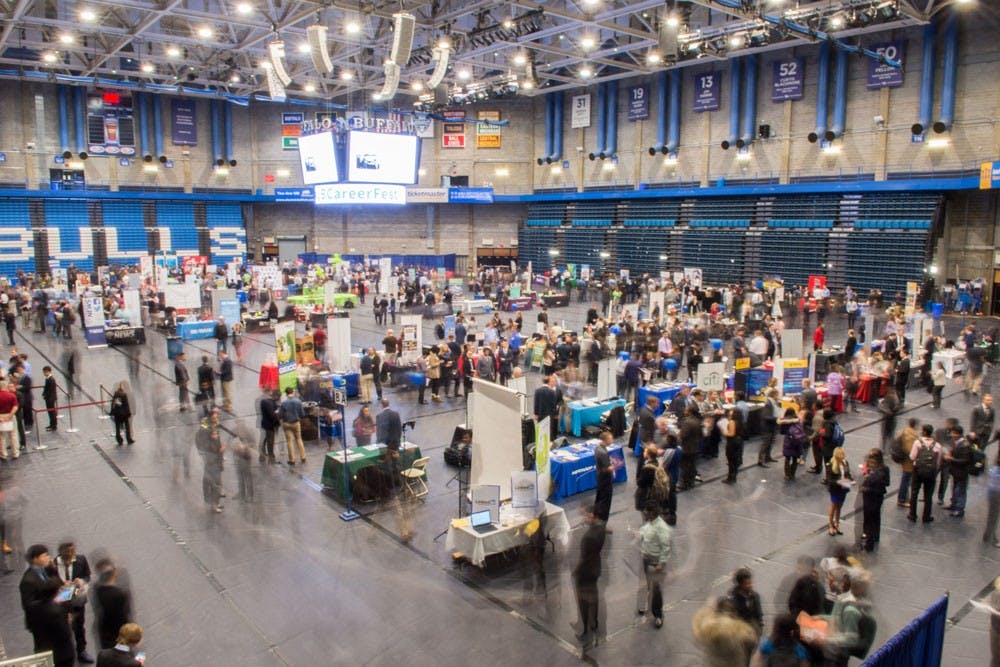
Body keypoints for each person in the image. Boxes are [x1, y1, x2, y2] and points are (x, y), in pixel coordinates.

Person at [19, 543, 75, 667]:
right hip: (44, 626)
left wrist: (68, 608)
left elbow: (61, 589)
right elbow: (29, 606)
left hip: (59, 619)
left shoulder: (49, 571)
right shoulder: (28, 581)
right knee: (52, 656)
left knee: (67, 653)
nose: (48, 558)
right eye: (45, 555)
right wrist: (53, 601)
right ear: (35, 559)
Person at [572, 505, 606, 649]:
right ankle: (595, 623)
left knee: (583, 600)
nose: (585, 518)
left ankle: (585, 628)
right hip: (596, 569)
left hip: (585, 572)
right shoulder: (601, 529)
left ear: (594, 516)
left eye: (587, 515)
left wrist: (576, 571)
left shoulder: (589, 537)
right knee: (594, 596)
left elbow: (585, 558)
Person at [692, 596, 758, 667]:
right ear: (733, 612)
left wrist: (709, 608)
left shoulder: (707, 628)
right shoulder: (739, 630)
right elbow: (752, 642)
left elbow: (697, 626)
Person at [56, 541, 94, 664]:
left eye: (74, 552)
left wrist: (81, 581)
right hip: (62, 601)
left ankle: (81, 651)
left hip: (77, 600)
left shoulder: (81, 560)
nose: (73, 555)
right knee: (62, 628)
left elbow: (88, 576)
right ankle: (65, 655)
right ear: (62, 554)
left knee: (79, 627)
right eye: (69, 553)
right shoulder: (54, 564)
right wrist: (61, 585)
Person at [637, 506, 673, 628]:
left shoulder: (662, 528)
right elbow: (643, 532)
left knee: (656, 589)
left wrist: (661, 564)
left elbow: (666, 547)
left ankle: (658, 615)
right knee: (647, 584)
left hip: (655, 561)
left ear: (653, 513)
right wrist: (637, 534)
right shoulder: (649, 523)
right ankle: (647, 604)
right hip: (646, 558)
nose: (645, 512)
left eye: (647, 511)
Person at [93, 559, 133, 650]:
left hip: (104, 629)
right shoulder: (120, 593)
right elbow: (125, 614)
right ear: (114, 573)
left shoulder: (97, 589)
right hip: (119, 630)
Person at [908, 423, 943, 524]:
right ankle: (926, 516)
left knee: (914, 492)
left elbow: (912, 457)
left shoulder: (917, 443)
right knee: (928, 495)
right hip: (931, 473)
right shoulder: (937, 445)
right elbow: (938, 462)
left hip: (918, 470)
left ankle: (912, 514)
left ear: (924, 432)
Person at [859, 448, 890, 552]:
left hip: (871, 497)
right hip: (878, 496)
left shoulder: (877, 472)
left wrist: (867, 485)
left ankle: (869, 542)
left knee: (870, 518)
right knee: (876, 517)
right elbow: (887, 482)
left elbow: (875, 483)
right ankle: (875, 536)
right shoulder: (884, 469)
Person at [197, 408, 225, 512]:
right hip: (212, 460)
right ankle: (214, 504)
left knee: (213, 481)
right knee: (216, 482)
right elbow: (205, 444)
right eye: (214, 416)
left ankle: (213, 502)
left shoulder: (213, 426)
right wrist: (218, 449)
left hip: (215, 459)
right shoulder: (206, 429)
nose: (216, 418)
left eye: (217, 416)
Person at [729, 567, 764, 639]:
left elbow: (758, 612)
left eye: (750, 583)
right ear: (740, 584)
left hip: (753, 631)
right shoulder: (733, 597)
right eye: (747, 584)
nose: (750, 585)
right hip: (738, 632)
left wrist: (760, 627)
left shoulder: (755, 596)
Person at [947, 424, 972, 518]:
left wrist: (951, 459)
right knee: (954, 488)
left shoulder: (965, 445)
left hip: (962, 472)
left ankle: (959, 509)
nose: (952, 435)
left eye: (953, 433)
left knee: (960, 490)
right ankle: (953, 504)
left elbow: (965, 460)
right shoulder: (955, 442)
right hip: (955, 471)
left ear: (958, 434)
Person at [827, 447, 853, 536]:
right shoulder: (831, 464)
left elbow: (848, 474)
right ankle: (830, 525)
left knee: (839, 507)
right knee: (833, 506)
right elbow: (829, 480)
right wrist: (839, 482)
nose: (843, 457)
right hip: (835, 489)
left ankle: (837, 524)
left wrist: (850, 480)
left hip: (843, 489)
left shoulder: (845, 463)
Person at [593, 431, 616, 526]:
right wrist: (616, 465)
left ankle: (596, 516)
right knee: (605, 501)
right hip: (605, 479)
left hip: (600, 478)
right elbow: (608, 468)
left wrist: (610, 460)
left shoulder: (599, 448)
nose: (612, 440)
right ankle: (602, 523)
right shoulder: (602, 452)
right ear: (606, 440)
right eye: (611, 438)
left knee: (599, 498)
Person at [279, 386, 306, 465]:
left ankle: (292, 459)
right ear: (293, 392)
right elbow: (302, 414)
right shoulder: (298, 401)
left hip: (287, 424)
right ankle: (303, 456)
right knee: (299, 439)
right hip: (296, 423)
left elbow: (280, 415)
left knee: (289, 441)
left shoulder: (283, 403)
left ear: (286, 394)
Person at [895, 418, 919, 507]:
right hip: (909, 462)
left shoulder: (904, 431)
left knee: (906, 479)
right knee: (906, 480)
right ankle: (902, 499)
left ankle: (903, 497)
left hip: (905, 460)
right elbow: (909, 449)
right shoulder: (911, 435)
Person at [533, 374, 562, 442]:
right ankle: (549, 442)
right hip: (549, 414)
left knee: (540, 428)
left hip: (540, 414)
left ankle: (540, 441)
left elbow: (536, 403)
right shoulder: (552, 392)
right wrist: (555, 413)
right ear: (548, 382)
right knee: (549, 429)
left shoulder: (537, 391)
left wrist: (535, 413)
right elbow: (553, 405)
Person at [780, 408, 807, 481]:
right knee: (795, 459)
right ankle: (792, 474)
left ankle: (787, 475)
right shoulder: (797, 419)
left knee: (787, 459)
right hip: (797, 442)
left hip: (788, 441)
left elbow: (782, 431)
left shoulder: (784, 421)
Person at [721, 406, 744, 484]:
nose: (730, 412)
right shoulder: (740, 421)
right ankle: (733, 476)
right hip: (738, 441)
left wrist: (724, 431)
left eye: (731, 411)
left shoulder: (732, 422)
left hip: (732, 443)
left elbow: (731, 433)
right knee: (735, 460)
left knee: (731, 460)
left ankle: (730, 478)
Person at [759, 389, 781, 466]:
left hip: (772, 426)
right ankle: (760, 460)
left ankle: (768, 457)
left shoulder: (774, 403)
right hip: (767, 426)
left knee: (771, 442)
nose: (778, 396)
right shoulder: (768, 403)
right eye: (777, 395)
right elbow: (765, 416)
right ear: (774, 395)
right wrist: (777, 418)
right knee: (765, 443)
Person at [258, 390, 280, 463]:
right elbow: (272, 415)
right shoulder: (269, 403)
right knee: (270, 440)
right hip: (269, 424)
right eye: (278, 397)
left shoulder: (265, 401)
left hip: (265, 423)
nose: (278, 399)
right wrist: (276, 413)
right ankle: (271, 455)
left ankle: (263, 452)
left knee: (266, 438)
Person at [109, 382, 134, 447]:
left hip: (117, 414)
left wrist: (112, 411)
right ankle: (129, 439)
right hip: (124, 414)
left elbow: (115, 404)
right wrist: (128, 413)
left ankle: (119, 439)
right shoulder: (124, 394)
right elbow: (126, 405)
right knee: (127, 427)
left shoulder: (116, 394)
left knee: (117, 427)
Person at [0, 379, 17, 461]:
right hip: (10, 416)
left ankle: (3, 454)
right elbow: (15, 407)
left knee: (1, 437)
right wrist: (10, 416)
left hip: (1, 416)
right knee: (13, 435)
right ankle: (15, 453)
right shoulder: (12, 395)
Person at [42, 365, 57, 431]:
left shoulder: (51, 379)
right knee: (50, 412)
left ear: (49, 372)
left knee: (52, 412)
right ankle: (51, 424)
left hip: (50, 398)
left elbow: (50, 390)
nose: (44, 373)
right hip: (48, 398)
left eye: (45, 372)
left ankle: (54, 425)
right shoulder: (48, 379)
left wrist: (45, 395)